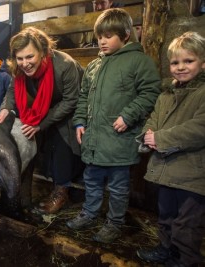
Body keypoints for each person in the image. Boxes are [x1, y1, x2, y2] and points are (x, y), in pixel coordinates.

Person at [65, 8, 161, 244]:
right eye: (100, 36)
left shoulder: (139, 62)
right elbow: (84, 96)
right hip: (95, 140)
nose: (102, 41)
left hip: (120, 140)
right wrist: (79, 121)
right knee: (92, 180)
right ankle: (90, 213)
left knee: (118, 187)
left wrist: (128, 115)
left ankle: (115, 223)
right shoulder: (95, 66)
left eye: (108, 36)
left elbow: (151, 92)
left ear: (126, 35)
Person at [0, 26, 84, 214]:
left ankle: (61, 191)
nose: (25, 63)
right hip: (41, 107)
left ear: (43, 51)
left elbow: (71, 100)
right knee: (28, 140)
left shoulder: (65, 64)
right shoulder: (19, 68)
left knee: (61, 142)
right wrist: (6, 109)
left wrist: (40, 125)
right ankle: (22, 195)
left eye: (30, 57)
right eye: (20, 58)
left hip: (69, 107)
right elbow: (11, 91)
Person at [136, 31, 205, 267]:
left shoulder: (202, 93)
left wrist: (160, 138)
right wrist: (147, 135)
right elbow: (153, 119)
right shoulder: (166, 94)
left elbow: (199, 129)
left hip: (192, 173)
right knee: (165, 216)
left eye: (189, 61)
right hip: (166, 169)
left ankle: (186, 260)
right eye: (175, 62)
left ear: (203, 62)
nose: (180, 67)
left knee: (186, 224)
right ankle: (165, 249)